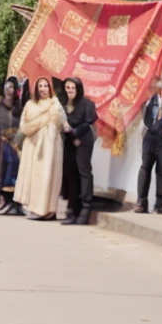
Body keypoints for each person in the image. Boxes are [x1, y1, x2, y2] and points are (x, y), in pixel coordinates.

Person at [13, 76, 66, 221]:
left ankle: (49, 210)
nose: (43, 89)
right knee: (36, 177)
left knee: (49, 176)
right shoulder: (30, 105)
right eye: (40, 86)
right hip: (34, 146)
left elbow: (62, 123)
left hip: (51, 146)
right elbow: (24, 126)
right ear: (36, 89)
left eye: (45, 86)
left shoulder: (55, 103)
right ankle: (37, 209)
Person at [60, 77, 98, 225]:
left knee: (84, 172)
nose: (69, 90)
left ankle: (85, 207)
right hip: (69, 141)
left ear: (78, 89)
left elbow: (89, 121)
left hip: (83, 140)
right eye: (67, 87)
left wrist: (76, 134)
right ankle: (72, 207)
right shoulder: (63, 105)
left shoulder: (87, 104)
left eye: (72, 88)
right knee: (70, 173)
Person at [137, 77, 162, 214]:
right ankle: (141, 202)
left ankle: (160, 203)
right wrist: (153, 126)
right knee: (145, 167)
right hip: (150, 136)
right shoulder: (150, 99)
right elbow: (145, 116)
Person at [0, 77, 25, 215]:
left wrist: (16, 140)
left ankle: (16, 205)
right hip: (1, 146)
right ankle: (6, 202)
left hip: (16, 146)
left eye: (11, 87)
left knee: (15, 172)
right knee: (2, 173)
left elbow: (22, 126)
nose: (8, 90)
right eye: (7, 87)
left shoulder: (19, 107)